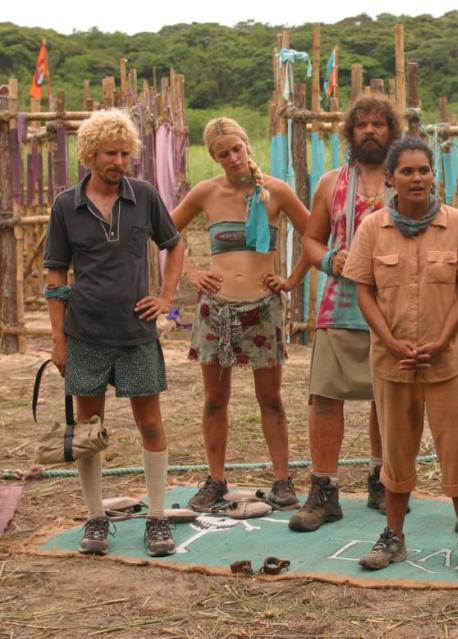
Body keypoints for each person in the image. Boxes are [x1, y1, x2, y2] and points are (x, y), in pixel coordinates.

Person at [343, 137, 458, 575]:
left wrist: (444, 339)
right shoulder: (372, 228)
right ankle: (393, 537)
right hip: (392, 363)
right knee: (396, 453)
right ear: (390, 178)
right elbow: (364, 289)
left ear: (433, 174)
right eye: (406, 171)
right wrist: (389, 340)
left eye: (423, 170)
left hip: (449, 363)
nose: (416, 178)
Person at [42, 109, 185, 556]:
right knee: (89, 428)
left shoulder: (143, 196)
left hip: (136, 332)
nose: (118, 161)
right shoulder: (67, 205)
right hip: (85, 332)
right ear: (89, 153)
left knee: (150, 423)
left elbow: (174, 244)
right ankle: (95, 518)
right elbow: (55, 272)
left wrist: (165, 297)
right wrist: (59, 337)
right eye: (110, 153)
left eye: (125, 153)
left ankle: (158, 518)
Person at [171, 117, 311, 512]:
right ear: (214, 158)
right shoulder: (206, 193)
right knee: (216, 398)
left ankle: (283, 480)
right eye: (222, 154)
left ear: (248, 145)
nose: (232, 158)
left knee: (271, 398)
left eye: (237, 148)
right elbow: (164, 232)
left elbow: (315, 234)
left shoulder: (276, 193)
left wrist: (291, 279)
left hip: (263, 309)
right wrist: (192, 273)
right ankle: (215, 479)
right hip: (216, 310)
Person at [289, 96, 401, 532]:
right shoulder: (331, 183)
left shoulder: (407, 179)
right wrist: (331, 260)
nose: (370, 131)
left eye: (378, 124)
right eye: (362, 125)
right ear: (350, 133)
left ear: (391, 130)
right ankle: (324, 490)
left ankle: (382, 478)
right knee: (324, 397)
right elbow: (311, 241)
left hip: (393, 306)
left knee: (385, 397)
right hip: (339, 306)